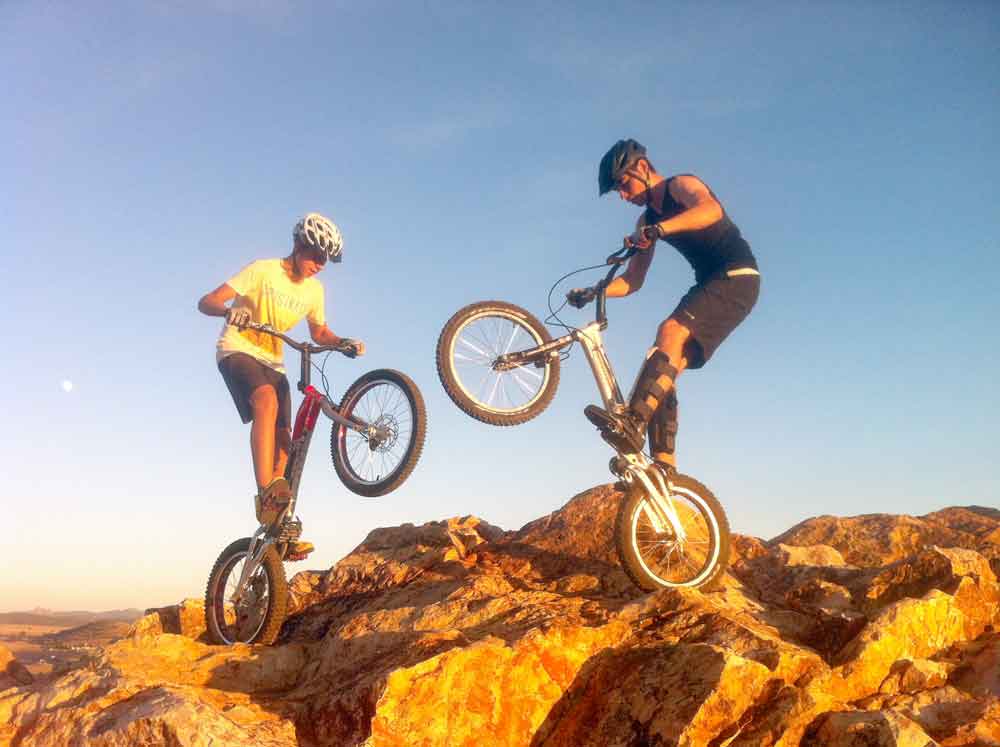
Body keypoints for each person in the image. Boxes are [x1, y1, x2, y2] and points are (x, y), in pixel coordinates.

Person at [568, 139, 759, 473]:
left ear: (642, 168)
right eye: (617, 192)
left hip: (736, 276)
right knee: (659, 368)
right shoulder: (646, 220)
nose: (623, 196)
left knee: (669, 331)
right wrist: (595, 292)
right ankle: (664, 467)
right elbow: (633, 281)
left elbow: (710, 210)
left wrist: (660, 229)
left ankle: (633, 423)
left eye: (623, 185)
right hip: (709, 283)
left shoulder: (681, 185)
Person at [197, 212, 365, 560]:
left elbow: (319, 332)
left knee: (288, 439)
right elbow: (207, 301)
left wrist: (342, 342)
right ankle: (266, 494)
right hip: (238, 349)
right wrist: (228, 312)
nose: (320, 264)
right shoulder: (263, 271)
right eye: (316, 255)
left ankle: (277, 525)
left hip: (274, 361)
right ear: (299, 245)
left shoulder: (315, 290)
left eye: (326, 260)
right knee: (266, 400)